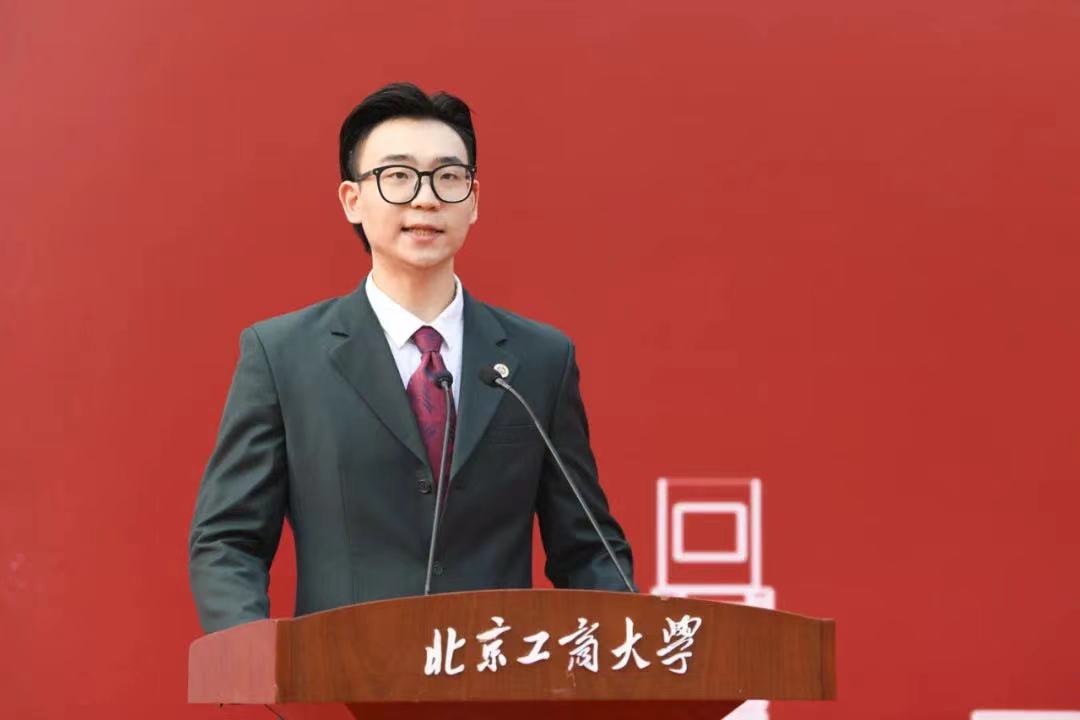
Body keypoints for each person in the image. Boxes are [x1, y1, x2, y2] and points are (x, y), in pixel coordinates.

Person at [188, 82, 634, 633]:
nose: (426, 198)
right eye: (398, 176)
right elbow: (228, 539)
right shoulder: (284, 357)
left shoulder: (539, 360)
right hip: (341, 675)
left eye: (448, 177)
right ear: (352, 200)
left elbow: (589, 549)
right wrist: (253, 655)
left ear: (473, 200)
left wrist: (628, 647)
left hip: (495, 671)